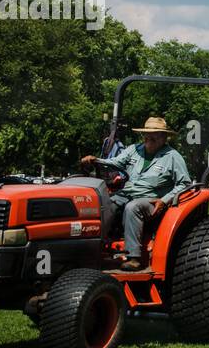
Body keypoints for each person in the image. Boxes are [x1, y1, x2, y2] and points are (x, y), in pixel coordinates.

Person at [81, 116, 192, 272]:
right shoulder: (134, 149)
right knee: (103, 204)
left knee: (132, 207)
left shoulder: (173, 157)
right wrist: (96, 160)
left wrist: (165, 200)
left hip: (151, 200)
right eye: (146, 134)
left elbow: (184, 184)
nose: (149, 137)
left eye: (155, 134)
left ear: (164, 137)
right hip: (127, 193)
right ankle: (94, 249)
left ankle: (134, 258)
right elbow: (116, 162)